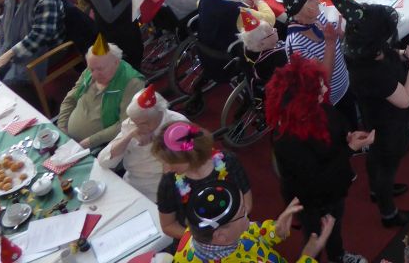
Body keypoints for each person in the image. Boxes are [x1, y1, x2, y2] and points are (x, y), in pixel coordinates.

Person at [265, 57, 374, 263]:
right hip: (310, 200)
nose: (325, 89)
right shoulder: (286, 140)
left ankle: (337, 256)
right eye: (318, 88)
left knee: (335, 224)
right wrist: (350, 149)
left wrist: (348, 137)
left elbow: (337, 125)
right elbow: (315, 179)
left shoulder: (319, 108)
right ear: (301, 100)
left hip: (334, 187)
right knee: (315, 236)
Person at [344, 3, 409, 227]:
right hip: (387, 123)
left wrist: (405, 54)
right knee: (387, 165)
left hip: (376, 116)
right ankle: (388, 213)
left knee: (376, 157)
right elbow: (405, 99)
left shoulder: (361, 49)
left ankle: (376, 190)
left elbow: (386, 53)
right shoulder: (372, 72)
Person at [173, 183, 335, 263]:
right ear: (221, 236)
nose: (248, 216)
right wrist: (308, 256)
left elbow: (250, 233)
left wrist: (274, 231)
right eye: (242, 214)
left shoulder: (198, 232)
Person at [153, 122, 253, 241]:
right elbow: (168, 225)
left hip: (235, 232)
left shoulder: (228, 162)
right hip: (196, 241)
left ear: (190, 156)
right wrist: (203, 240)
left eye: (171, 162)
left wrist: (228, 231)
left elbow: (247, 204)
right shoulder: (169, 181)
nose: (166, 168)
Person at [97, 84, 187, 202]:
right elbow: (104, 161)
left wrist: (152, 145)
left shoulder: (179, 126)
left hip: (160, 192)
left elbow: (189, 163)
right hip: (130, 185)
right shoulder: (132, 124)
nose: (138, 127)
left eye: (143, 123)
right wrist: (128, 136)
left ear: (159, 113)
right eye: (134, 122)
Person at [282, 0, 356, 127]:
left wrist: (341, 35)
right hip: (330, 102)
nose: (317, 1)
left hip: (345, 83)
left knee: (353, 120)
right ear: (299, 9)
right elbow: (323, 79)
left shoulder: (320, 17)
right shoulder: (296, 44)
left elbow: (339, 40)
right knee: (345, 131)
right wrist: (330, 43)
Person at [57, 38, 145, 148]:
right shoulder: (93, 67)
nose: (94, 75)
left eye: (100, 69)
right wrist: (62, 127)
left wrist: (90, 141)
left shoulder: (132, 83)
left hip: (97, 147)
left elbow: (125, 123)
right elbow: (70, 99)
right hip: (66, 138)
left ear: (116, 62)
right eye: (91, 69)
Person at [197, 0, 275, 65]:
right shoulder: (237, 12)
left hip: (205, 45)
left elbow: (201, 3)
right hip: (223, 57)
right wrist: (259, 1)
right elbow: (269, 21)